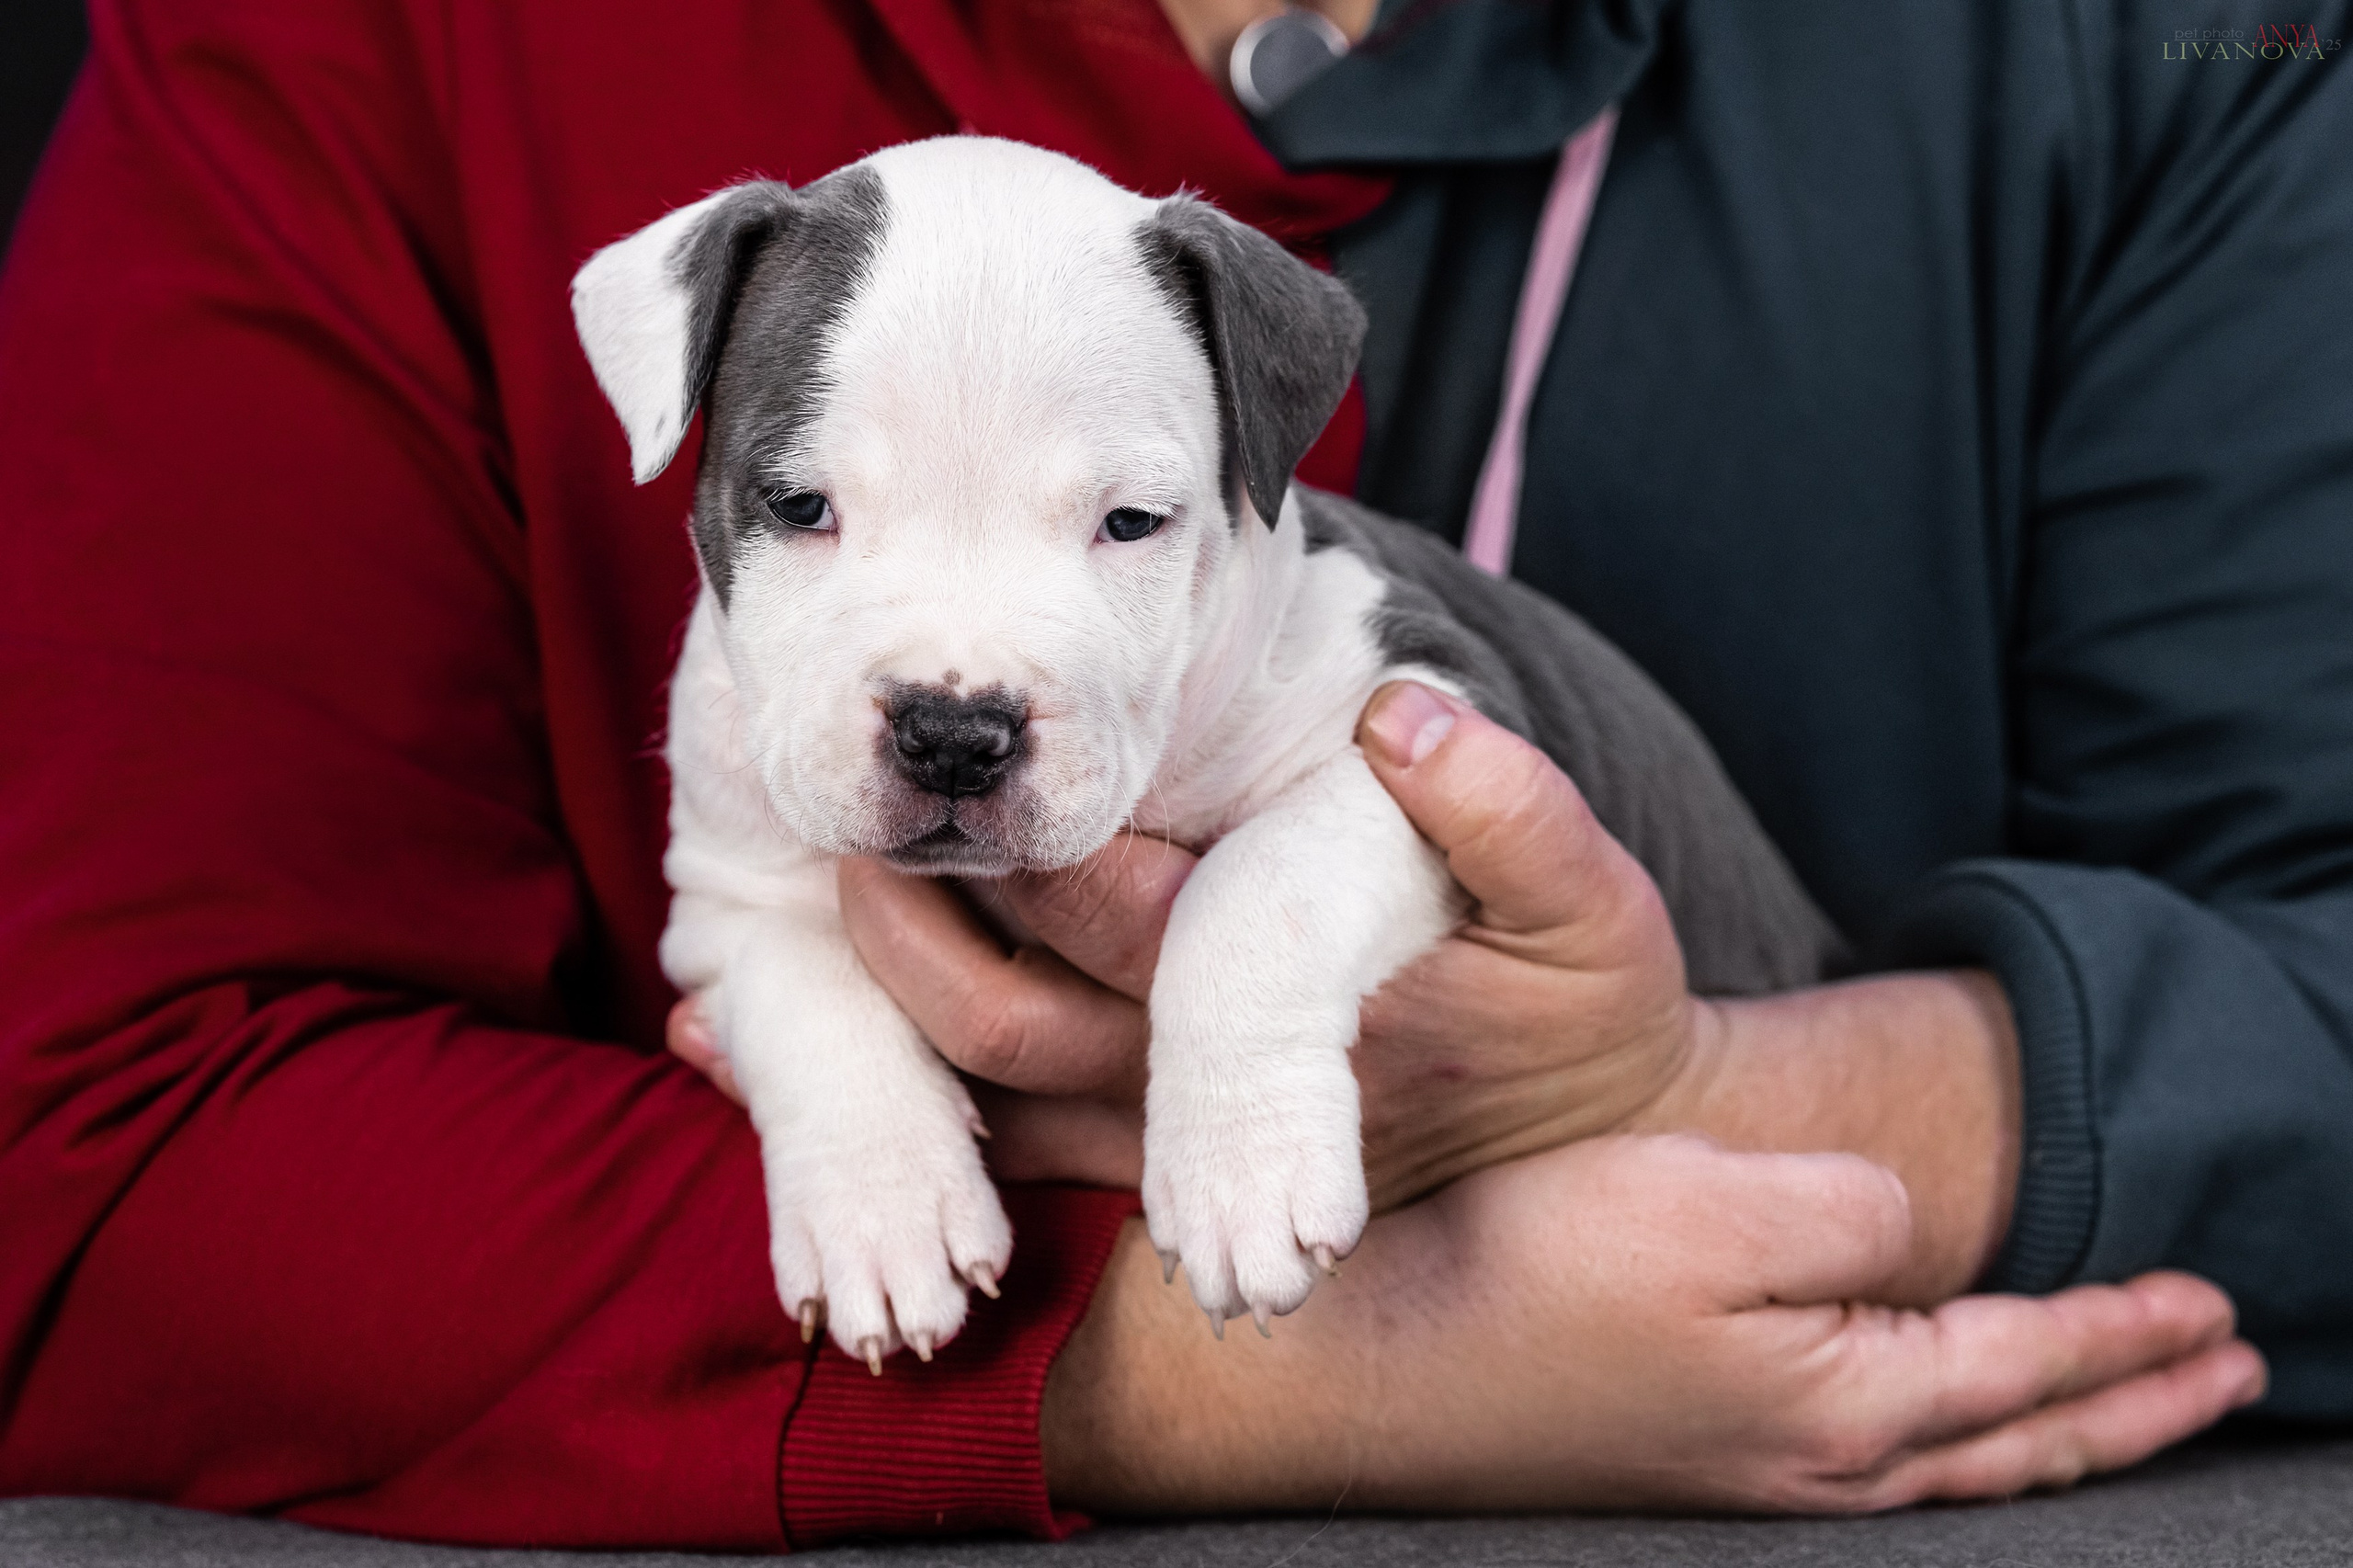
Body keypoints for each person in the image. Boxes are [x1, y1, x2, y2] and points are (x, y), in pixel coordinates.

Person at [0, 0, 2341, 1548]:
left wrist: (1748, 1094)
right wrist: (1249, 1374)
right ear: (689, 411)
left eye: (1115, 521)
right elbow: (87, 1147)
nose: (950, 684)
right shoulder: (375, 62)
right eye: (802, 508)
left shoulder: (2149, 54)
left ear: (1247, 439)